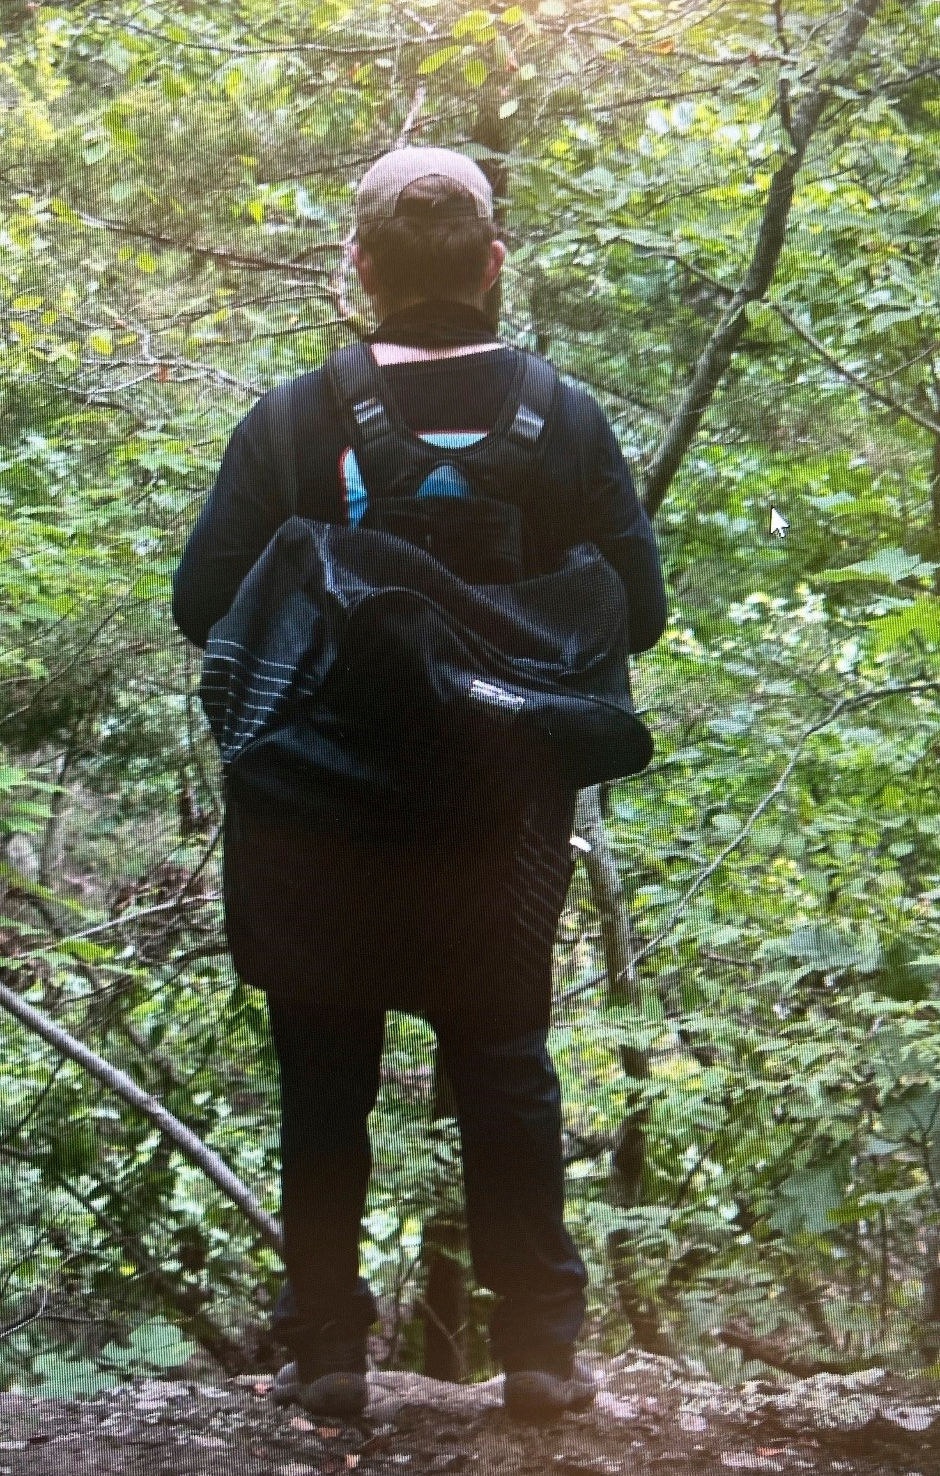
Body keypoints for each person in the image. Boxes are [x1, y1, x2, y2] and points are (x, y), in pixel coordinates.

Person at [172, 146, 667, 1421]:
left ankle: (329, 1352)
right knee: (505, 1064)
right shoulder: (562, 417)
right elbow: (640, 613)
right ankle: (543, 1357)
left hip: (311, 817)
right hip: (494, 816)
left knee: (324, 1072)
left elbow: (200, 604)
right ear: (492, 266)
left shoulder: (292, 419)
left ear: (362, 268)